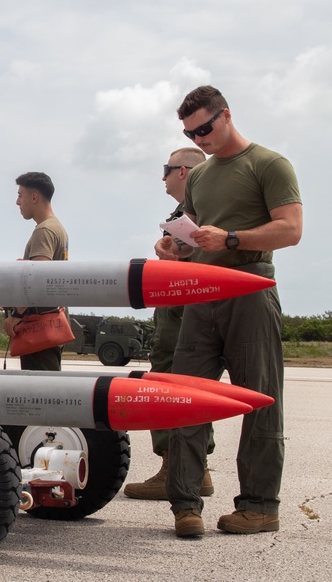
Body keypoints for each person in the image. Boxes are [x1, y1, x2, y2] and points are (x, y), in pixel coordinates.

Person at [156, 86, 302, 538]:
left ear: (226, 115)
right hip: (202, 292)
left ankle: (259, 507)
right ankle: (185, 506)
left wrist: (233, 239)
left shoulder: (269, 164)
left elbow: (291, 229)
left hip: (251, 288)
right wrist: (173, 248)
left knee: (259, 400)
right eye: (190, 132)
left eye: (205, 127)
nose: (200, 138)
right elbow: (193, 232)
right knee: (183, 398)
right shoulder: (199, 178)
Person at [125, 147, 215, 500]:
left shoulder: (195, 218)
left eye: (167, 168)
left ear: (183, 172)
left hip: (181, 318)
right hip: (181, 313)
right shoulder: (186, 216)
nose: (162, 176)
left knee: (168, 387)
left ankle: (174, 470)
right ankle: (196, 471)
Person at [3, 172, 68, 371]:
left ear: (34, 197)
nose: (17, 202)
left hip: (39, 324)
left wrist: (17, 314)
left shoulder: (44, 231)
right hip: (50, 322)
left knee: (39, 391)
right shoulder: (56, 228)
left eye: (20, 195)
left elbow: (37, 278)